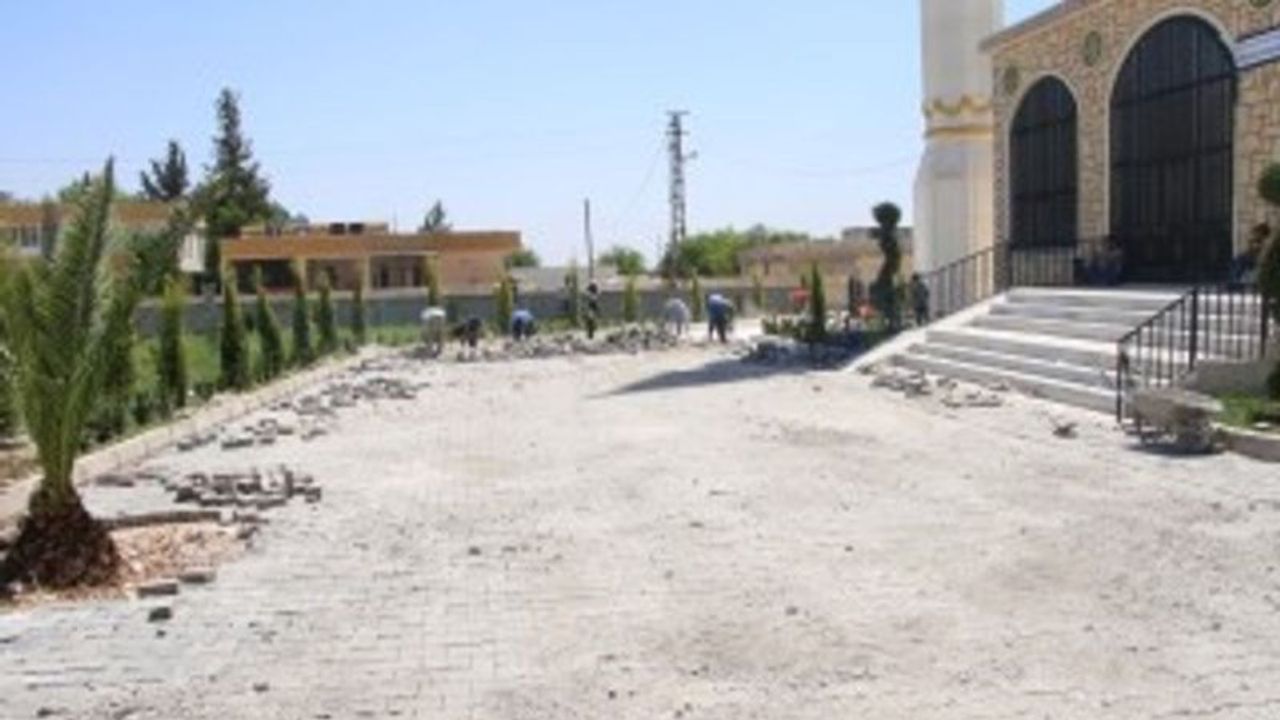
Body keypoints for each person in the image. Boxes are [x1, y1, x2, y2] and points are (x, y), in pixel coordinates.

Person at [1230, 223, 1270, 289]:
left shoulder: (1269, 260)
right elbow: (1235, 280)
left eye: (1258, 241)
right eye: (1252, 241)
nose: (1255, 245)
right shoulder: (1242, 259)